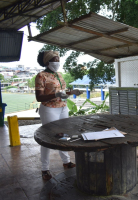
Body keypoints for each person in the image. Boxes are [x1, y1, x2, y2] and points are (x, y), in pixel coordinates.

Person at [35, 50, 83, 180]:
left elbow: (62, 92)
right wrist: (55, 95)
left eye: (58, 60)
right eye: (55, 60)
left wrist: (72, 92)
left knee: (64, 136)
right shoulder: (41, 76)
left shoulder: (59, 75)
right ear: (47, 62)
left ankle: (66, 161)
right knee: (47, 138)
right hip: (49, 109)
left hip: (62, 107)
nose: (57, 62)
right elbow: (39, 97)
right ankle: (45, 169)